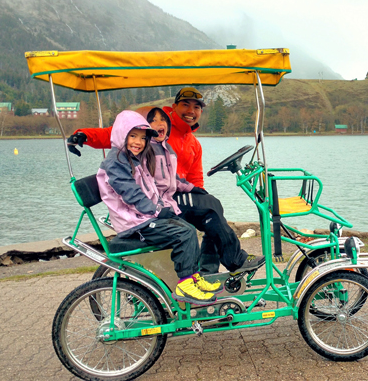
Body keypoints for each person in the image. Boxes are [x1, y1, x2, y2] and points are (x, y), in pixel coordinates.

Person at [96, 110, 221, 305]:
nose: (138, 142)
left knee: (187, 226)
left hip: (143, 217)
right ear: (122, 134)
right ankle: (185, 284)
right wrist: (156, 210)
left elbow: (153, 186)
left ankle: (194, 277)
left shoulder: (134, 158)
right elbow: (131, 195)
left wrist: (166, 204)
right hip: (134, 224)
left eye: (143, 138)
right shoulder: (116, 162)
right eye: (133, 136)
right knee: (184, 234)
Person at [137, 105, 258, 274]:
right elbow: (117, 136)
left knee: (212, 208)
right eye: (153, 120)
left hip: (171, 196)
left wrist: (195, 189)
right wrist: (87, 136)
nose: (159, 123)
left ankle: (209, 269)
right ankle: (232, 260)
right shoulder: (145, 149)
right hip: (161, 204)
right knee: (211, 207)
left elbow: (176, 178)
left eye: (162, 119)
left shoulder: (168, 148)